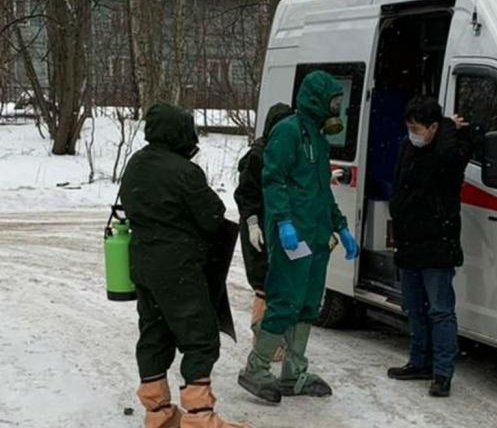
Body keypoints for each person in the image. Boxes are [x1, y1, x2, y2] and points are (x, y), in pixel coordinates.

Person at [120, 102, 247, 428]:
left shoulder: (135, 164)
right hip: (177, 267)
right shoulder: (184, 172)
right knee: (201, 337)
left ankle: (158, 412)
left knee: (154, 331)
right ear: (179, 134)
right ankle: (199, 417)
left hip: (143, 263)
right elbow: (211, 216)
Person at [238, 71, 359, 404]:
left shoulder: (318, 138)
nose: (337, 107)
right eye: (334, 101)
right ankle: (256, 367)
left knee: (308, 304)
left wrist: (341, 226)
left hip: (318, 237)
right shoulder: (287, 132)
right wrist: (282, 222)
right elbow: (272, 180)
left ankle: (293, 372)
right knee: (284, 301)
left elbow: (322, 191)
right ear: (317, 100)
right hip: (292, 235)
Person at [387, 96, 473, 398]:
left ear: (433, 127)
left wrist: (449, 127)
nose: (412, 132)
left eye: (417, 127)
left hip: (437, 242)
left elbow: (448, 157)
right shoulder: (408, 147)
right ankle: (419, 361)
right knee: (414, 307)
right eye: (409, 127)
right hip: (410, 241)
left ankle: (442, 372)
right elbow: (399, 185)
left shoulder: (449, 150)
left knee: (440, 310)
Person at [234, 103, 294, 361]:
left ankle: (276, 340)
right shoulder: (257, 156)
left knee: (280, 285)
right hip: (258, 228)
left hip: (279, 225)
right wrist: (252, 223)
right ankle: (263, 342)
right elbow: (246, 194)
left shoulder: (283, 150)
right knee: (264, 285)